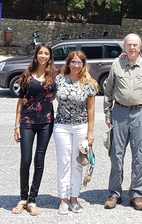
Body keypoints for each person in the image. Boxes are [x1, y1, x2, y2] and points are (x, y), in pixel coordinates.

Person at [103, 33, 142, 211]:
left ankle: (136, 194)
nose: (132, 47)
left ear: (140, 47)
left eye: (135, 45)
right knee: (116, 154)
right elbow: (108, 90)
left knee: (139, 155)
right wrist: (107, 113)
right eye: (129, 45)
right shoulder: (117, 64)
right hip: (119, 112)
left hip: (140, 112)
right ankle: (114, 194)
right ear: (124, 47)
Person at [13, 43, 57, 216]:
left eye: (46, 53)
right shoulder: (27, 76)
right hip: (27, 122)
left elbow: (75, 69)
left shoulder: (54, 75)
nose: (43, 56)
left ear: (49, 57)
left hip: (46, 122)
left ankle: (32, 199)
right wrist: (16, 125)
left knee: (39, 161)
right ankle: (23, 198)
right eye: (41, 53)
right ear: (36, 55)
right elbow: (20, 102)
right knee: (25, 160)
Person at [54, 50, 98, 214]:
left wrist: (91, 131)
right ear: (68, 63)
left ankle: (74, 198)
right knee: (63, 163)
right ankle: (63, 199)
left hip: (81, 127)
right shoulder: (59, 80)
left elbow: (91, 108)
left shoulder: (89, 83)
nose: (76, 65)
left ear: (83, 64)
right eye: (73, 62)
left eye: (80, 62)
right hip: (61, 127)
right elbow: (48, 96)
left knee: (78, 163)